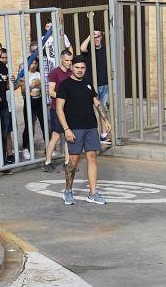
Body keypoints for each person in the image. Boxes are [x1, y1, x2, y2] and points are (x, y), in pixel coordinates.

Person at [55, 54, 111, 206]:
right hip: (74, 128)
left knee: (92, 157)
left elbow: (96, 102)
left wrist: (105, 120)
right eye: (77, 67)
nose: (80, 70)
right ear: (71, 67)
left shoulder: (87, 84)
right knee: (73, 161)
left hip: (91, 127)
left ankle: (93, 193)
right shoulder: (64, 85)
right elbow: (59, 108)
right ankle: (68, 190)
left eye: (82, 68)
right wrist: (66, 129)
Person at [43, 49, 73, 172]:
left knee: (69, 136)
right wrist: (63, 97)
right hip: (57, 108)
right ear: (61, 59)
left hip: (69, 110)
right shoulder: (55, 73)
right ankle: (47, 161)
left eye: (70, 61)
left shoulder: (71, 72)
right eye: (66, 60)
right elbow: (50, 91)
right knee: (55, 136)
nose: (68, 63)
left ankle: (67, 162)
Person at [16, 57, 47, 161]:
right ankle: (25, 148)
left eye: (36, 63)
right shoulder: (25, 74)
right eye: (32, 63)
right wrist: (33, 84)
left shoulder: (39, 74)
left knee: (44, 124)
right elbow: (24, 91)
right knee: (29, 126)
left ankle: (49, 147)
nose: (34, 65)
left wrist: (36, 85)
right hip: (29, 101)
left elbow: (42, 88)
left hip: (39, 101)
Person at [79, 29, 109, 109]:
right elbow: (82, 48)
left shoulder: (106, 49)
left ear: (101, 37)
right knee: (92, 111)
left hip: (105, 85)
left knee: (104, 111)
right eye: (94, 37)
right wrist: (90, 36)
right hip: (92, 85)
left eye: (98, 36)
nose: (96, 39)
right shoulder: (89, 49)